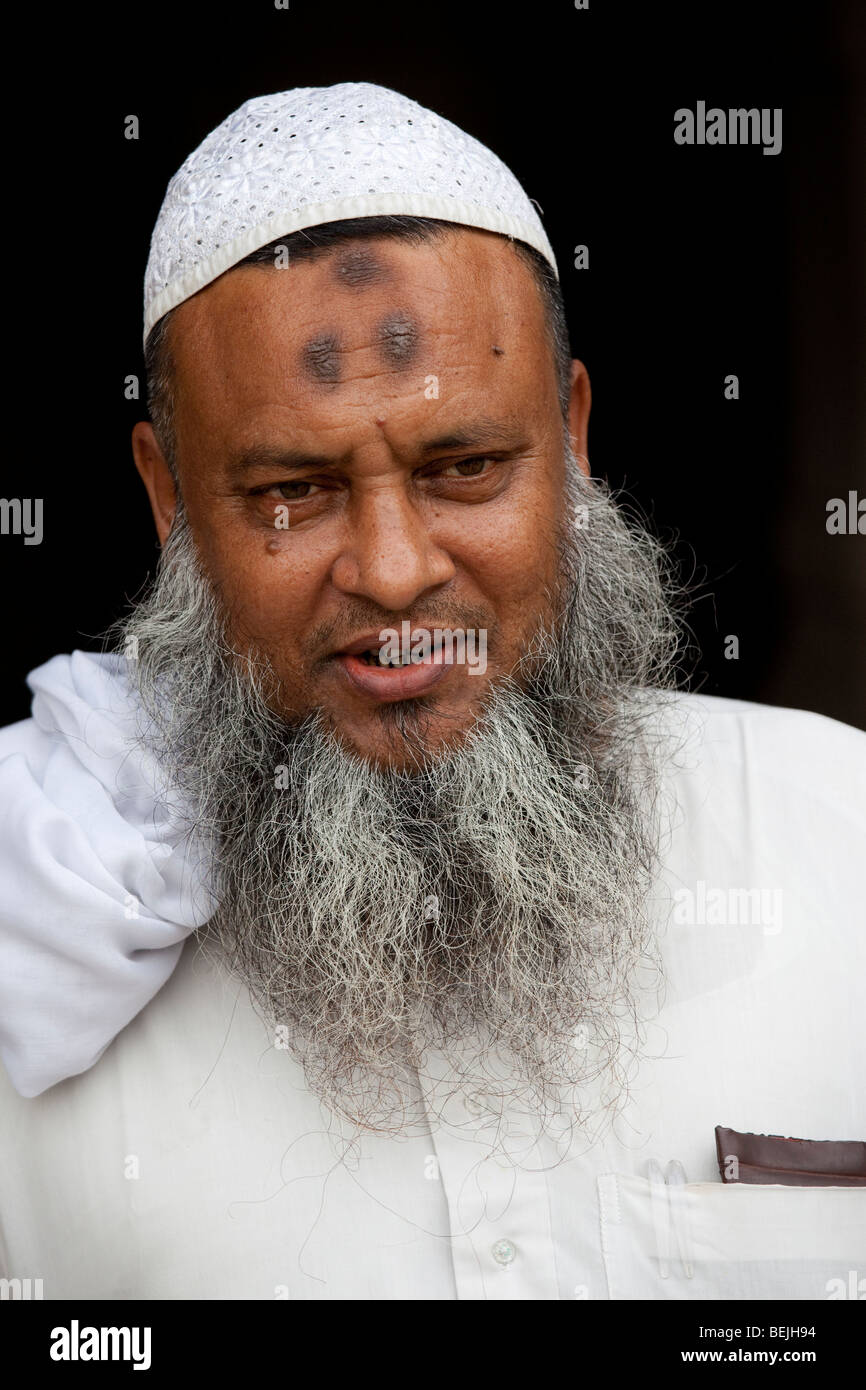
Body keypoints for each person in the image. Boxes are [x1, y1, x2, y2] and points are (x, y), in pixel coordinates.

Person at [0, 82, 863, 1301]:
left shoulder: (844, 838)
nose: (396, 570)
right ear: (170, 500)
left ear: (569, 439)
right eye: (290, 490)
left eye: (463, 467)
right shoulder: (41, 924)